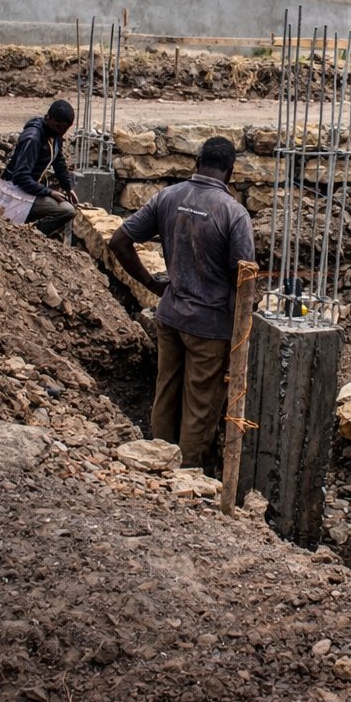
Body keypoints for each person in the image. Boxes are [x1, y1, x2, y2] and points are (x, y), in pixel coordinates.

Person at [108, 136, 255, 470]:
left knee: (166, 393)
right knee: (200, 406)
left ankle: (155, 465)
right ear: (229, 173)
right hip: (209, 327)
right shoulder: (234, 214)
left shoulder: (169, 197)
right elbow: (243, 282)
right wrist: (238, 335)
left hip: (170, 316)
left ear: (197, 162)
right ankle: (187, 477)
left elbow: (119, 241)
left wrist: (151, 284)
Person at [0, 99, 79, 236]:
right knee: (67, 210)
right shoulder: (33, 139)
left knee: (65, 204)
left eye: (64, 130)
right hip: (16, 190)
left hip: (30, 187)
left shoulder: (53, 134)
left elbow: (58, 160)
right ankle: (32, 233)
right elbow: (21, 177)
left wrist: (68, 187)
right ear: (48, 118)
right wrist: (49, 192)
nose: (60, 133)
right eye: (58, 127)